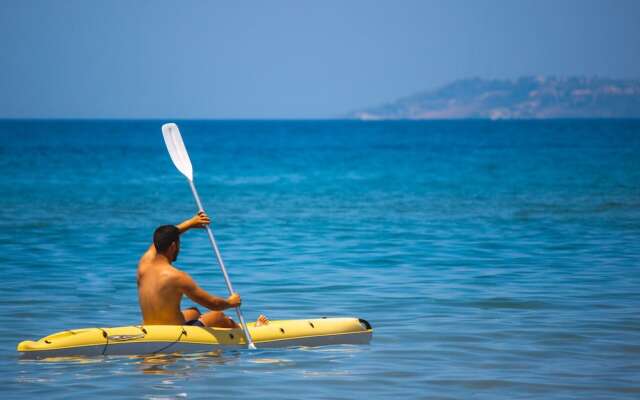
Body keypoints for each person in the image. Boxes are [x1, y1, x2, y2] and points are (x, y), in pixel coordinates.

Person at [137, 211, 268, 328]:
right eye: (179, 244)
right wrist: (230, 302)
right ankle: (249, 330)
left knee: (194, 312)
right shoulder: (176, 277)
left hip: (150, 327)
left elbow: (163, 239)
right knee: (218, 315)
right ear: (172, 246)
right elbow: (213, 304)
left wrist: (190, 223)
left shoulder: (144, 264)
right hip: (174, 333)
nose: (179, 248)